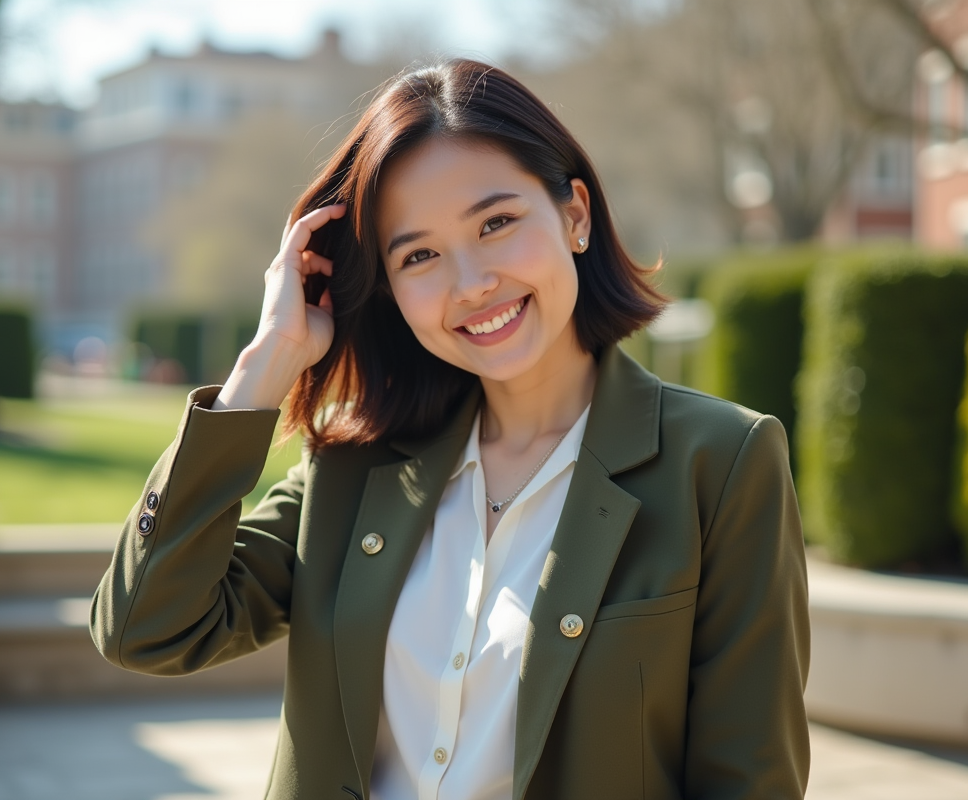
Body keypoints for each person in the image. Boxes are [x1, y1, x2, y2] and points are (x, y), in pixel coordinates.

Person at [90, 58, 810, 800]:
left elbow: (749, 781)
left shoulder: (719, 463)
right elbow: (146, 628)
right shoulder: (354, 464)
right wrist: (266, 363)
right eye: (420, 255)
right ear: (390, 287)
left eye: (496, 223)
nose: (471, 285)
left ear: (575, 215)